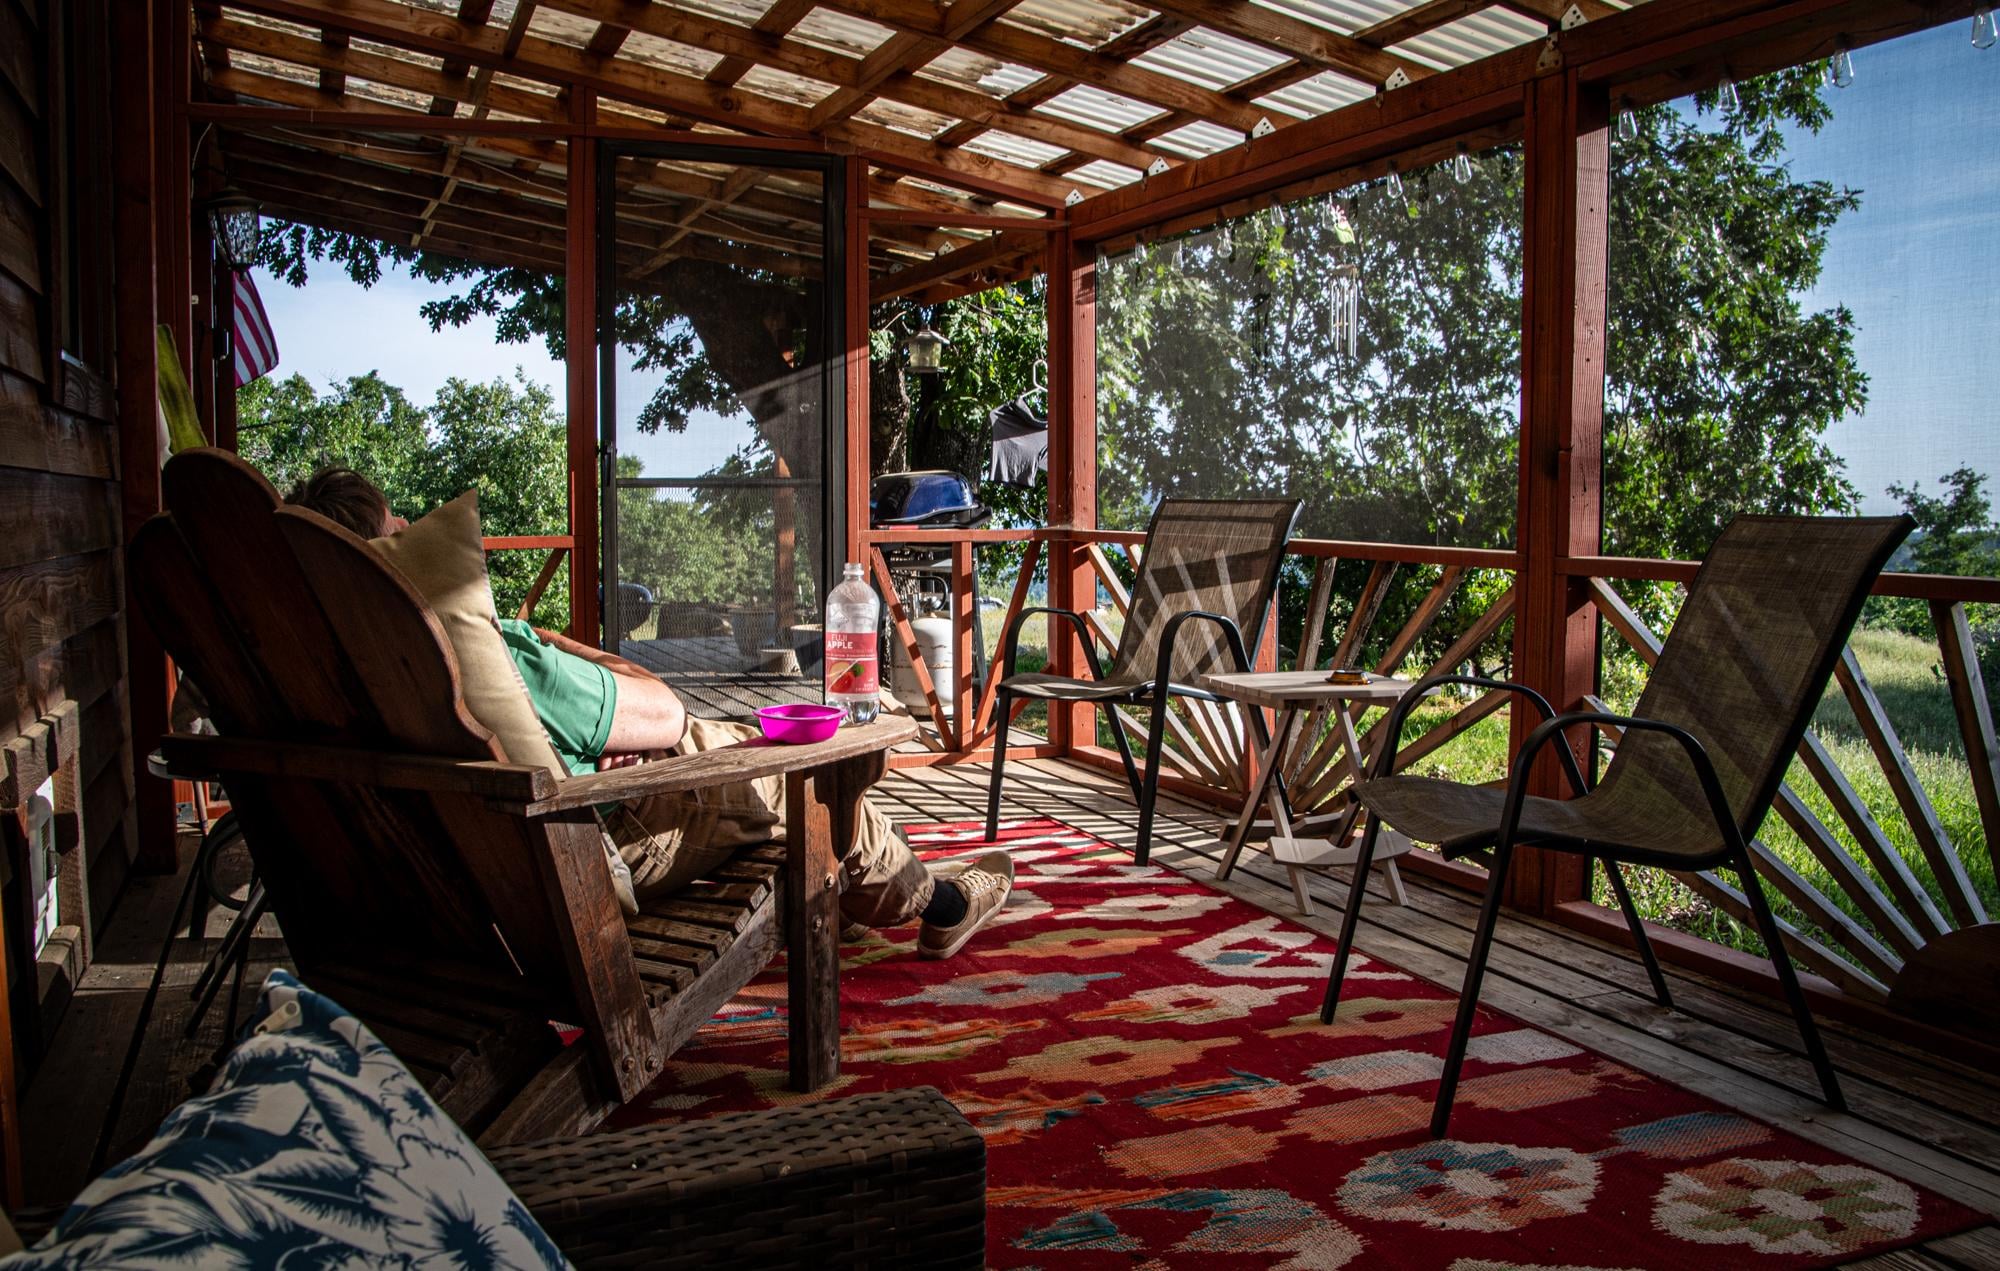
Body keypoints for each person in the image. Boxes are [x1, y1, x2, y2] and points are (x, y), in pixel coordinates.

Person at [283, 467, 1013, 960]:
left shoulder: (328, 672)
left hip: (460, 888)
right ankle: (936, 901)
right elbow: (661, 711)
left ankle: (860, 886)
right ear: (395, 550)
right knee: (804, 777)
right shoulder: (470, 643)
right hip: (599, 835)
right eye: (398, 526)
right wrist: (552, 644)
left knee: (740, 749)